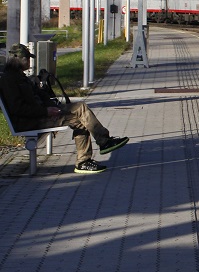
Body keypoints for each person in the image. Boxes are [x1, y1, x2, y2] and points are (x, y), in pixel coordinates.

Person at [0, 44, 129, 174]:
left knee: (80, 106)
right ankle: (86, 159)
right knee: (78, 121)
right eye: (27, 59)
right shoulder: (10, 79)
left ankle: (103, 142)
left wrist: (52, 106)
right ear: (18, 59)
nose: (29, 62)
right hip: (30, 121)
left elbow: (38, 94)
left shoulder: (20, 76)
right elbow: (18, 108)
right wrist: (46, 111)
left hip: (39, 114)